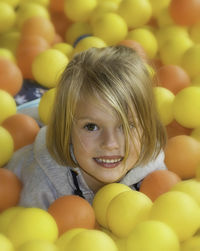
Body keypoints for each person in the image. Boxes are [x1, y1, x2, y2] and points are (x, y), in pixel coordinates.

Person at [5, 45, 167, 210]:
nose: (110, 143)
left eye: (127, 126)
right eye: (91, 127)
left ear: (146, 128)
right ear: (66, 131)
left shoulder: (152, 172)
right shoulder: (41, 183)